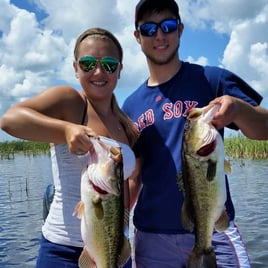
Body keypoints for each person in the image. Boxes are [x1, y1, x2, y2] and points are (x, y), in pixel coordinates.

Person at [122, 0, 268, 267]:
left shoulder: (212, 80)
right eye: (149, 29)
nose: (159, 35)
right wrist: (114, 227)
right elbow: (135, 176)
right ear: (137, 37)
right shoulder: (130, 105)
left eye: (167, 25)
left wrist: (237, 109)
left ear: (180, 29)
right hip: (151, 238)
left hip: (215, 227)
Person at [0, 27, 137, 268]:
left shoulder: (125, 124)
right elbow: (10, 120)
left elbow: (125, 187)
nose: (98, 71)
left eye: (108, 64)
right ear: (75, 68)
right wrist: (65, 130)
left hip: (113, 247)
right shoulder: (71, 103)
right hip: (63, 252)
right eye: (87, 64)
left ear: (119, 70)